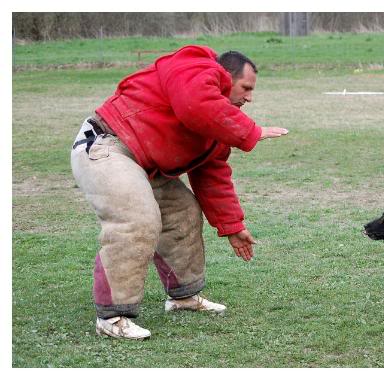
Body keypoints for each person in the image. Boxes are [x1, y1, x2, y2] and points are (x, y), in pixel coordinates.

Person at [70, 45, 288, 340]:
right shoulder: (194, 67)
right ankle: (112, 316)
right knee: (137, 219)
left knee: (183, 210)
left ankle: (183, 297)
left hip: (144, 164)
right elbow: (194, 104)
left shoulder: (215, 125)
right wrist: (251, 131)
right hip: (106, 144)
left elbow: (213, 178)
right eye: (246, 87)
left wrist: (232, 227)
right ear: (224, 76)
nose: (249, 97)